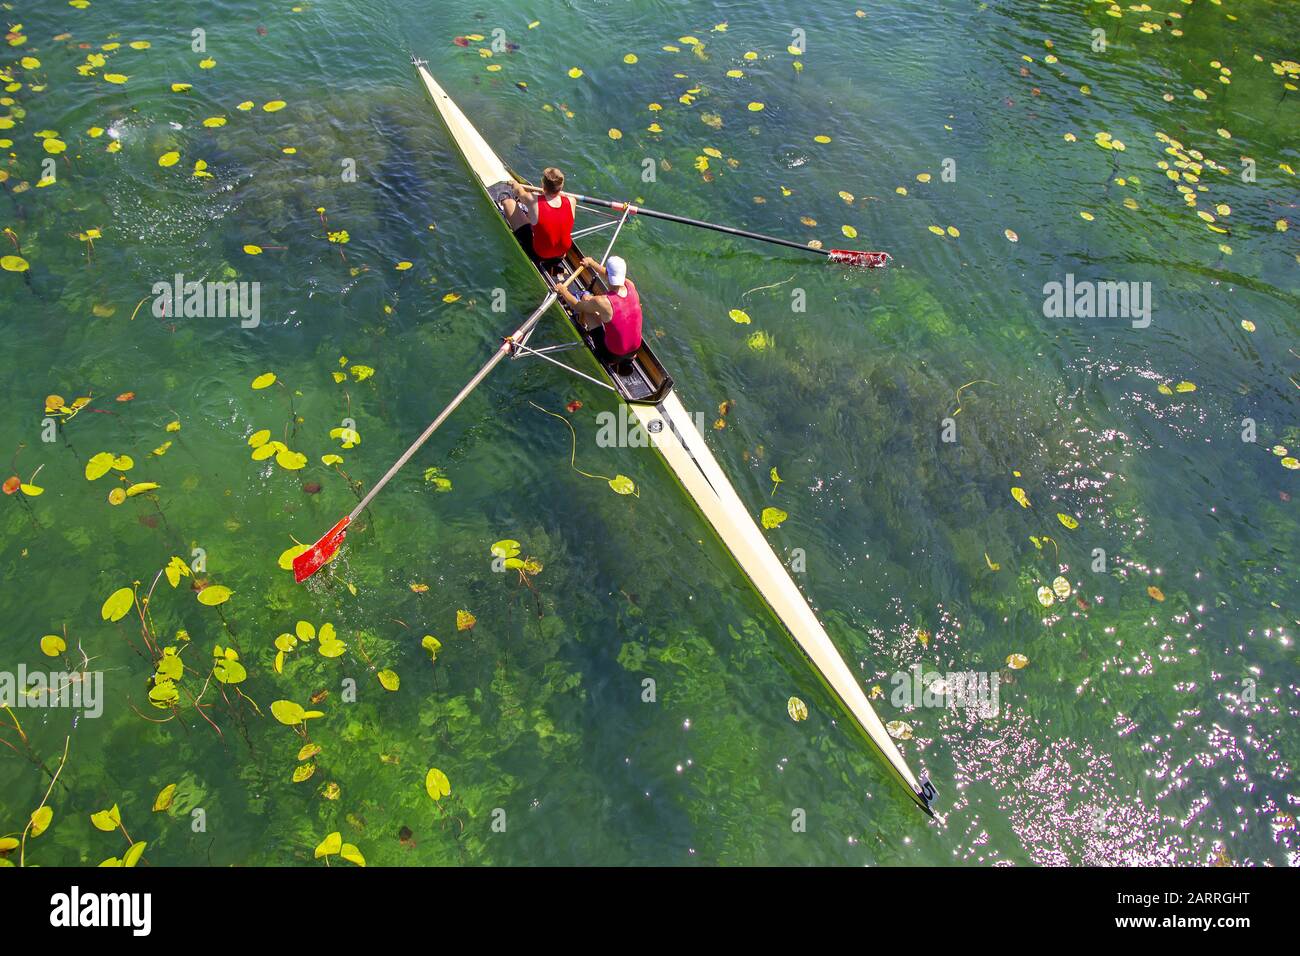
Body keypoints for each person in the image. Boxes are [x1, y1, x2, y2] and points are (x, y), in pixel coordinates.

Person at [555, 254, 643, 361]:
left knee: (586, 301)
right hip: (635, 350)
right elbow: (608, 274)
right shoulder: (630, 285)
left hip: (610, 354)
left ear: (607, 274)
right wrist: (592, 263)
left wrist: (563, 290)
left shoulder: (603, 301)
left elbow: (577, 306)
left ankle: (580, 322)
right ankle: (629, 356)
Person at [500, 167, 575, 271]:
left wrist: (514, 184)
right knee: (538, 217)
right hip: (560, 255)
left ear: (543, 184)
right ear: (561, 187)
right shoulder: (572, 201)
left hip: (539, 254)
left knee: (508, 203)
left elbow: (519, 191)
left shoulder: (532, 200)